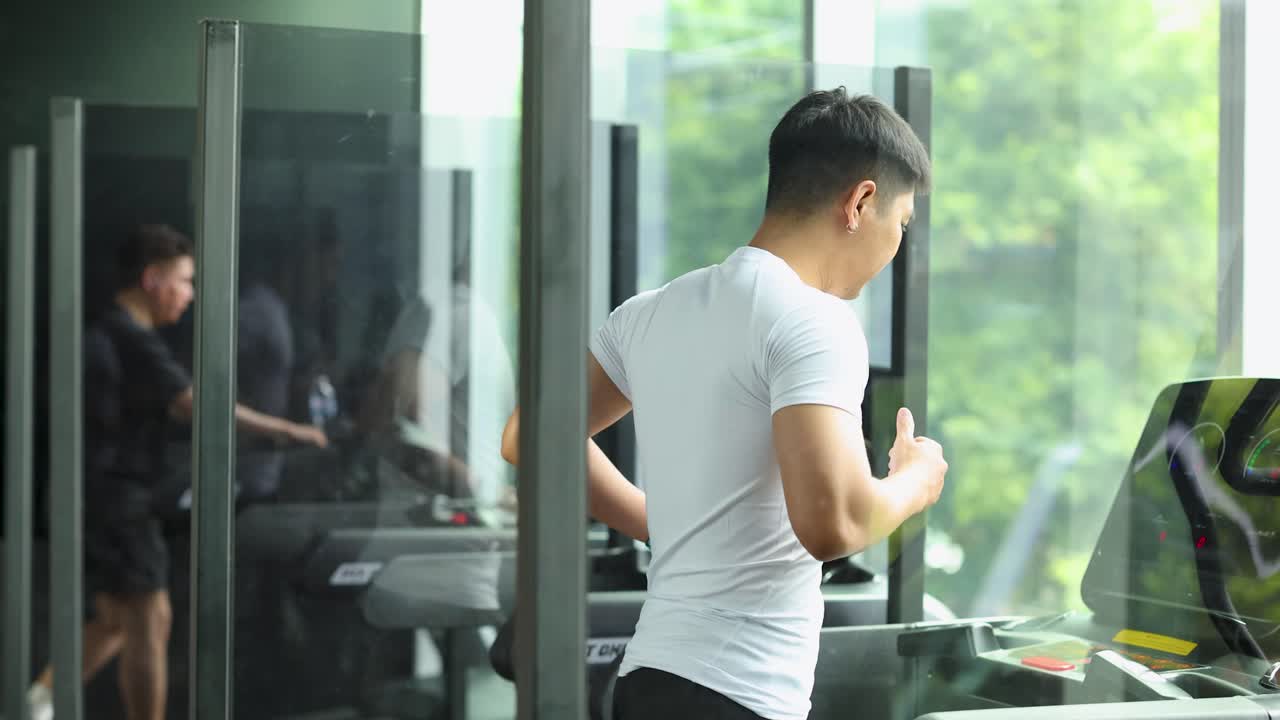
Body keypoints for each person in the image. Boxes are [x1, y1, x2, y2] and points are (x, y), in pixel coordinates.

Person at [499, 88, 948, 720]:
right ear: (861, 201)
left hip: (644, 680)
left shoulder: (650, 313)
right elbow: (835, 525)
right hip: (736, 697)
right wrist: (914, 482)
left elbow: (528, 437)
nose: (897, 246)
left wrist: (665, 524)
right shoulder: (815, 321)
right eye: (900, 223)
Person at [28, 224, 327, 720]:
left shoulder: (108, 330)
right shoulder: (130, 338)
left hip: (99, 496)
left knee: (114, 618)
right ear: (151, 279)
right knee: (150, 616)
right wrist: (288, 432)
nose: (189, 295)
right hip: (117, 499)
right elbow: (196, 404)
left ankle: (36, 702)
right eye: (184, 281)